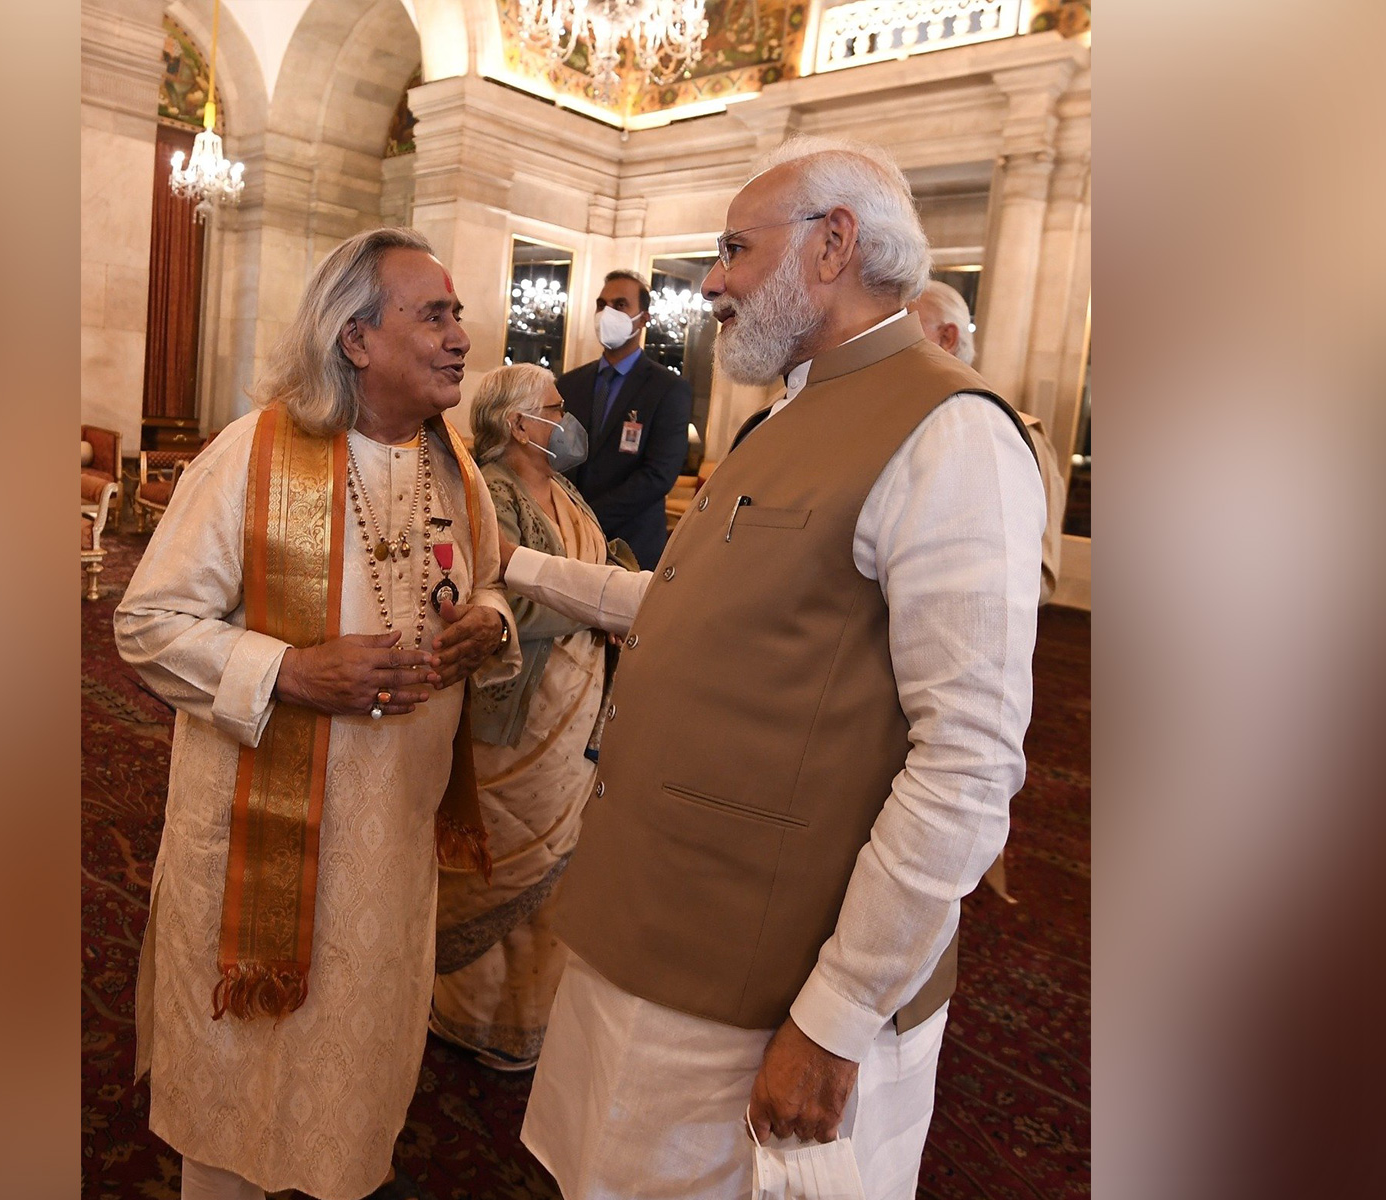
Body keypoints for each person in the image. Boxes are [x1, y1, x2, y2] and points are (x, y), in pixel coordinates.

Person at [507, 136, 1046, 1199]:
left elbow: (970, 764)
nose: (709, 281)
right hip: (654, 930)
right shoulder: (784, 415)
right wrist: (519, 566)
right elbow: (697, 617)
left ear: (833, 244)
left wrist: (837, 1015)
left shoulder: (951, 436)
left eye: (733, 248)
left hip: (768, 992)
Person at [114, 227, 521, 1200]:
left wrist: (490, 626)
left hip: (388, 866)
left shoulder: (454, 471)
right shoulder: (252, 455)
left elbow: (494, 583)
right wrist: (291, 672)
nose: (461, 335)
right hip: (260, 855)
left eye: (458, 313)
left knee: (349, 1095)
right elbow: (147, 624)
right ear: (356, 340)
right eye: (434, 313)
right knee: (238, 1098)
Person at [429, 363, 611, 1071]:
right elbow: (504, 601)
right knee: (502, 862)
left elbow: (586, 569)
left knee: (558, 873)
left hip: (577, 709)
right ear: (517, 422)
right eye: (555, 408)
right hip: (515, 718)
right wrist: (607, 599)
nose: (567, 422)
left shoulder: (564, 489)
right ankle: (469, 1014)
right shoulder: (488, 493)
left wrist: (610, 592)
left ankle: (525, 1023)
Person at [914, 279, 1068, 603]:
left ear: (947, 338)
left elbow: (1035, 576)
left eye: (906, 328)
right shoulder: (894, 425)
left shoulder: (1015, 433)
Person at [556, 268, 694, 568]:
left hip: (632, 546)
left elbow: (658, 475)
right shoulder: (569, 384)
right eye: (601, 305)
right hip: (566, 540)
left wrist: (587, 516)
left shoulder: (668, 390)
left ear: (643, 318)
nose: (607, 313)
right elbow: (557, 455)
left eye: (620, 305)